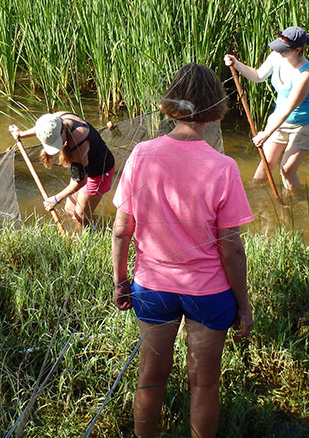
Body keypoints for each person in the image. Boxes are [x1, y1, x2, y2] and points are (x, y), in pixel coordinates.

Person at [111, 63, 254, 438]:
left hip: (153, 287)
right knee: (204, 384)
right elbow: (231, 248)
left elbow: (121, 230)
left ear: (170, 103)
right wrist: (243, 304)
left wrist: (120, 281)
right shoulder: (224, 167)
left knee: (150, 377)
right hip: (209, 294)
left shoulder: (141, 155)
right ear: (215, 108)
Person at [223, 25, 309, 194]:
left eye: (284, 49)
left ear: (298, 50)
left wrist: (266, 133)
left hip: (306, 124)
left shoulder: (306, 74)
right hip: (280, 120)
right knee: (266, 164)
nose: (279, 52)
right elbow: (257, 76)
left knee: (286, 171)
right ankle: (256, 197)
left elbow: (289, 108)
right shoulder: (276, 57)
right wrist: (237, 64)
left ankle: (294, 208)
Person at [8, 111, 115, 226]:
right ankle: (84, 229)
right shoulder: (56, 119)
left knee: (80, 217)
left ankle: (80, 241)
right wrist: (21, 134)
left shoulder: (79, 141)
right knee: (69, 210)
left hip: (99, 173)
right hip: (84, 167)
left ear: (63, 131)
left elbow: (81, 180)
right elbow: (43, 129)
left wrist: (56, 199)